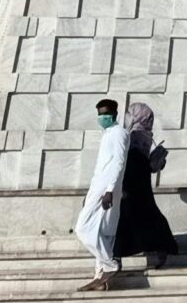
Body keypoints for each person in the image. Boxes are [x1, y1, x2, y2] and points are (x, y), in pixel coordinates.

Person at [111, 102, 178, 270]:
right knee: (145, 209)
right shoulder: (146, 132)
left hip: (131, 172)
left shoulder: (130, 132)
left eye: (130, 113)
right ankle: (162, 246)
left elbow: (123, 157)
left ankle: (116, 256)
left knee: (126, 214)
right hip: (139, 173)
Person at [74, 97, 127, 291]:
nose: (103, 117)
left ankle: (110, 264)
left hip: (107, 189)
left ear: (114, 114)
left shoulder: (120, 133)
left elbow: (119, 162)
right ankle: (100, 276)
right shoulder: (107, 134)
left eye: (106, 113)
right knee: (102, 232)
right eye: (100, 114)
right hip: (98, 187)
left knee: (82, 228)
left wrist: (110, 191)